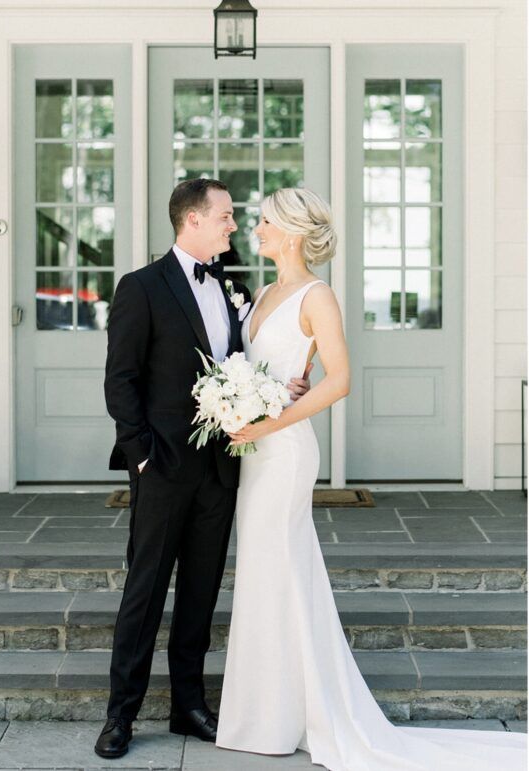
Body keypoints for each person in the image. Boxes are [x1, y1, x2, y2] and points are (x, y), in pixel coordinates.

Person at [216, 187, 527, 770]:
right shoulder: (262, 293)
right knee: (265, 573)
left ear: (289, 231)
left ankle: (290, 716)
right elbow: (278, 371)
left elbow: (339, 380)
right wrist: (247, 404)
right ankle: (265, 714)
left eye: (261, 222)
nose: (253, 229)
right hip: (255, 451)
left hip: (283, 453)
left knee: (280, 569)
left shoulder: (317, 295)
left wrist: (272, 418)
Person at [95, 178, 311, 759]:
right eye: (226, 215)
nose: (234, 224)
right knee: (144, 591)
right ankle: (121, 714)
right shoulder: (140, 288)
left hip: (222, 467)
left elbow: (245, 368)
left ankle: (189, 707)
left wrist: (287, 387)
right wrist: (141, 455)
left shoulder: (230, 288)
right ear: (193, 219)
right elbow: (121, 380)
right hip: (161, 467)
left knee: (200, 592)